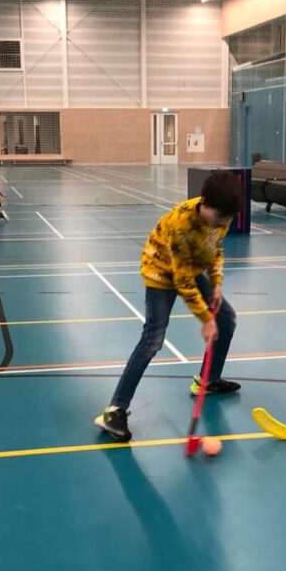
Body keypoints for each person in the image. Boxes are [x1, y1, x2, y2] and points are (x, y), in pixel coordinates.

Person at [95, 171, 242, 443]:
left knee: (227, 319)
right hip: (161, 271)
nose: (223, 223)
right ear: (204, 202)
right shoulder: (181, 224)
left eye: (227, 218)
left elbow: (216, 249)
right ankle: (114, 410)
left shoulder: (221, 215)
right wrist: (205, 319)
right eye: (219, 217)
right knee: (153, 339)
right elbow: (182, 280)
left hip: (190, 267)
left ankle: (208, 381)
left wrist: (217, 283)